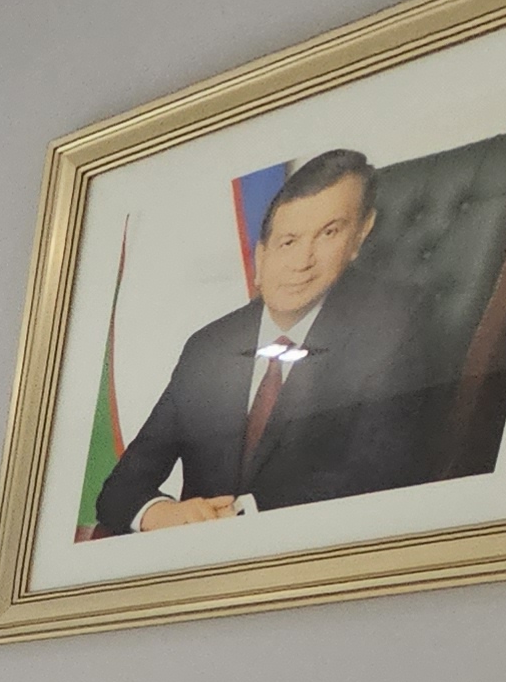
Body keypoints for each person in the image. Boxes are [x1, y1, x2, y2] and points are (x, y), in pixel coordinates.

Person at [90, 150, 434, 535]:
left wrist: (243, 514)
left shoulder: (394, 324)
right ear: (261, 256)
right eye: (288, 241)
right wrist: (163, 514)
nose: (302, 261)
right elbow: (119, 490)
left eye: (329, 233)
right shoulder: (208, 347)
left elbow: (384, 476)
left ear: (360, 235)